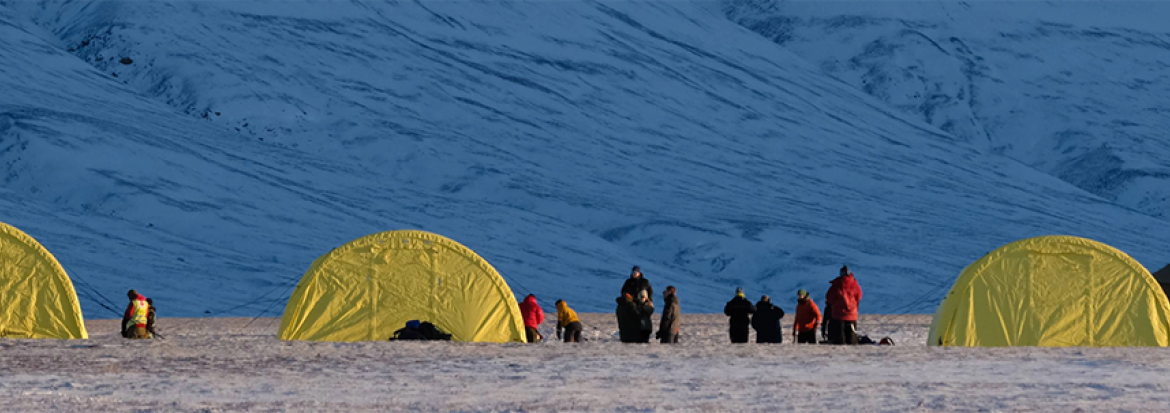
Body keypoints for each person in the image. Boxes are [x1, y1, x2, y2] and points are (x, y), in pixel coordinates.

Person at [825, 266, 863, 345]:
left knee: (839, 336)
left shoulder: (837, 284)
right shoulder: (855, 284)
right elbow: (859, 296)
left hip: (838, 314)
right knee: (851, 334)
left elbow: (829, 298)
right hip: (852, 314)